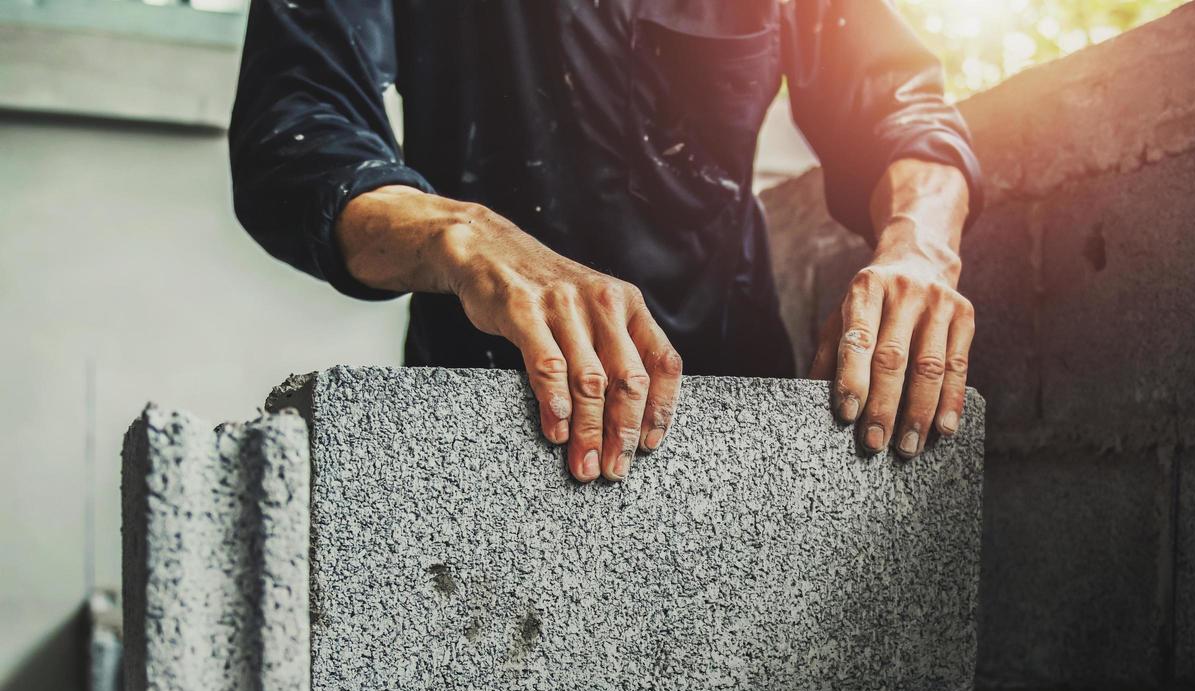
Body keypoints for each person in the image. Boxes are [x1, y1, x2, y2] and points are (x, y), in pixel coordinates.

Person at [230, 0, 981, 482]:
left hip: (734, 421)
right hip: (481, 423)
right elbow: (295, 131)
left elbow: (902, 107)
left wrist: (920, 248)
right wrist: (460, 234)